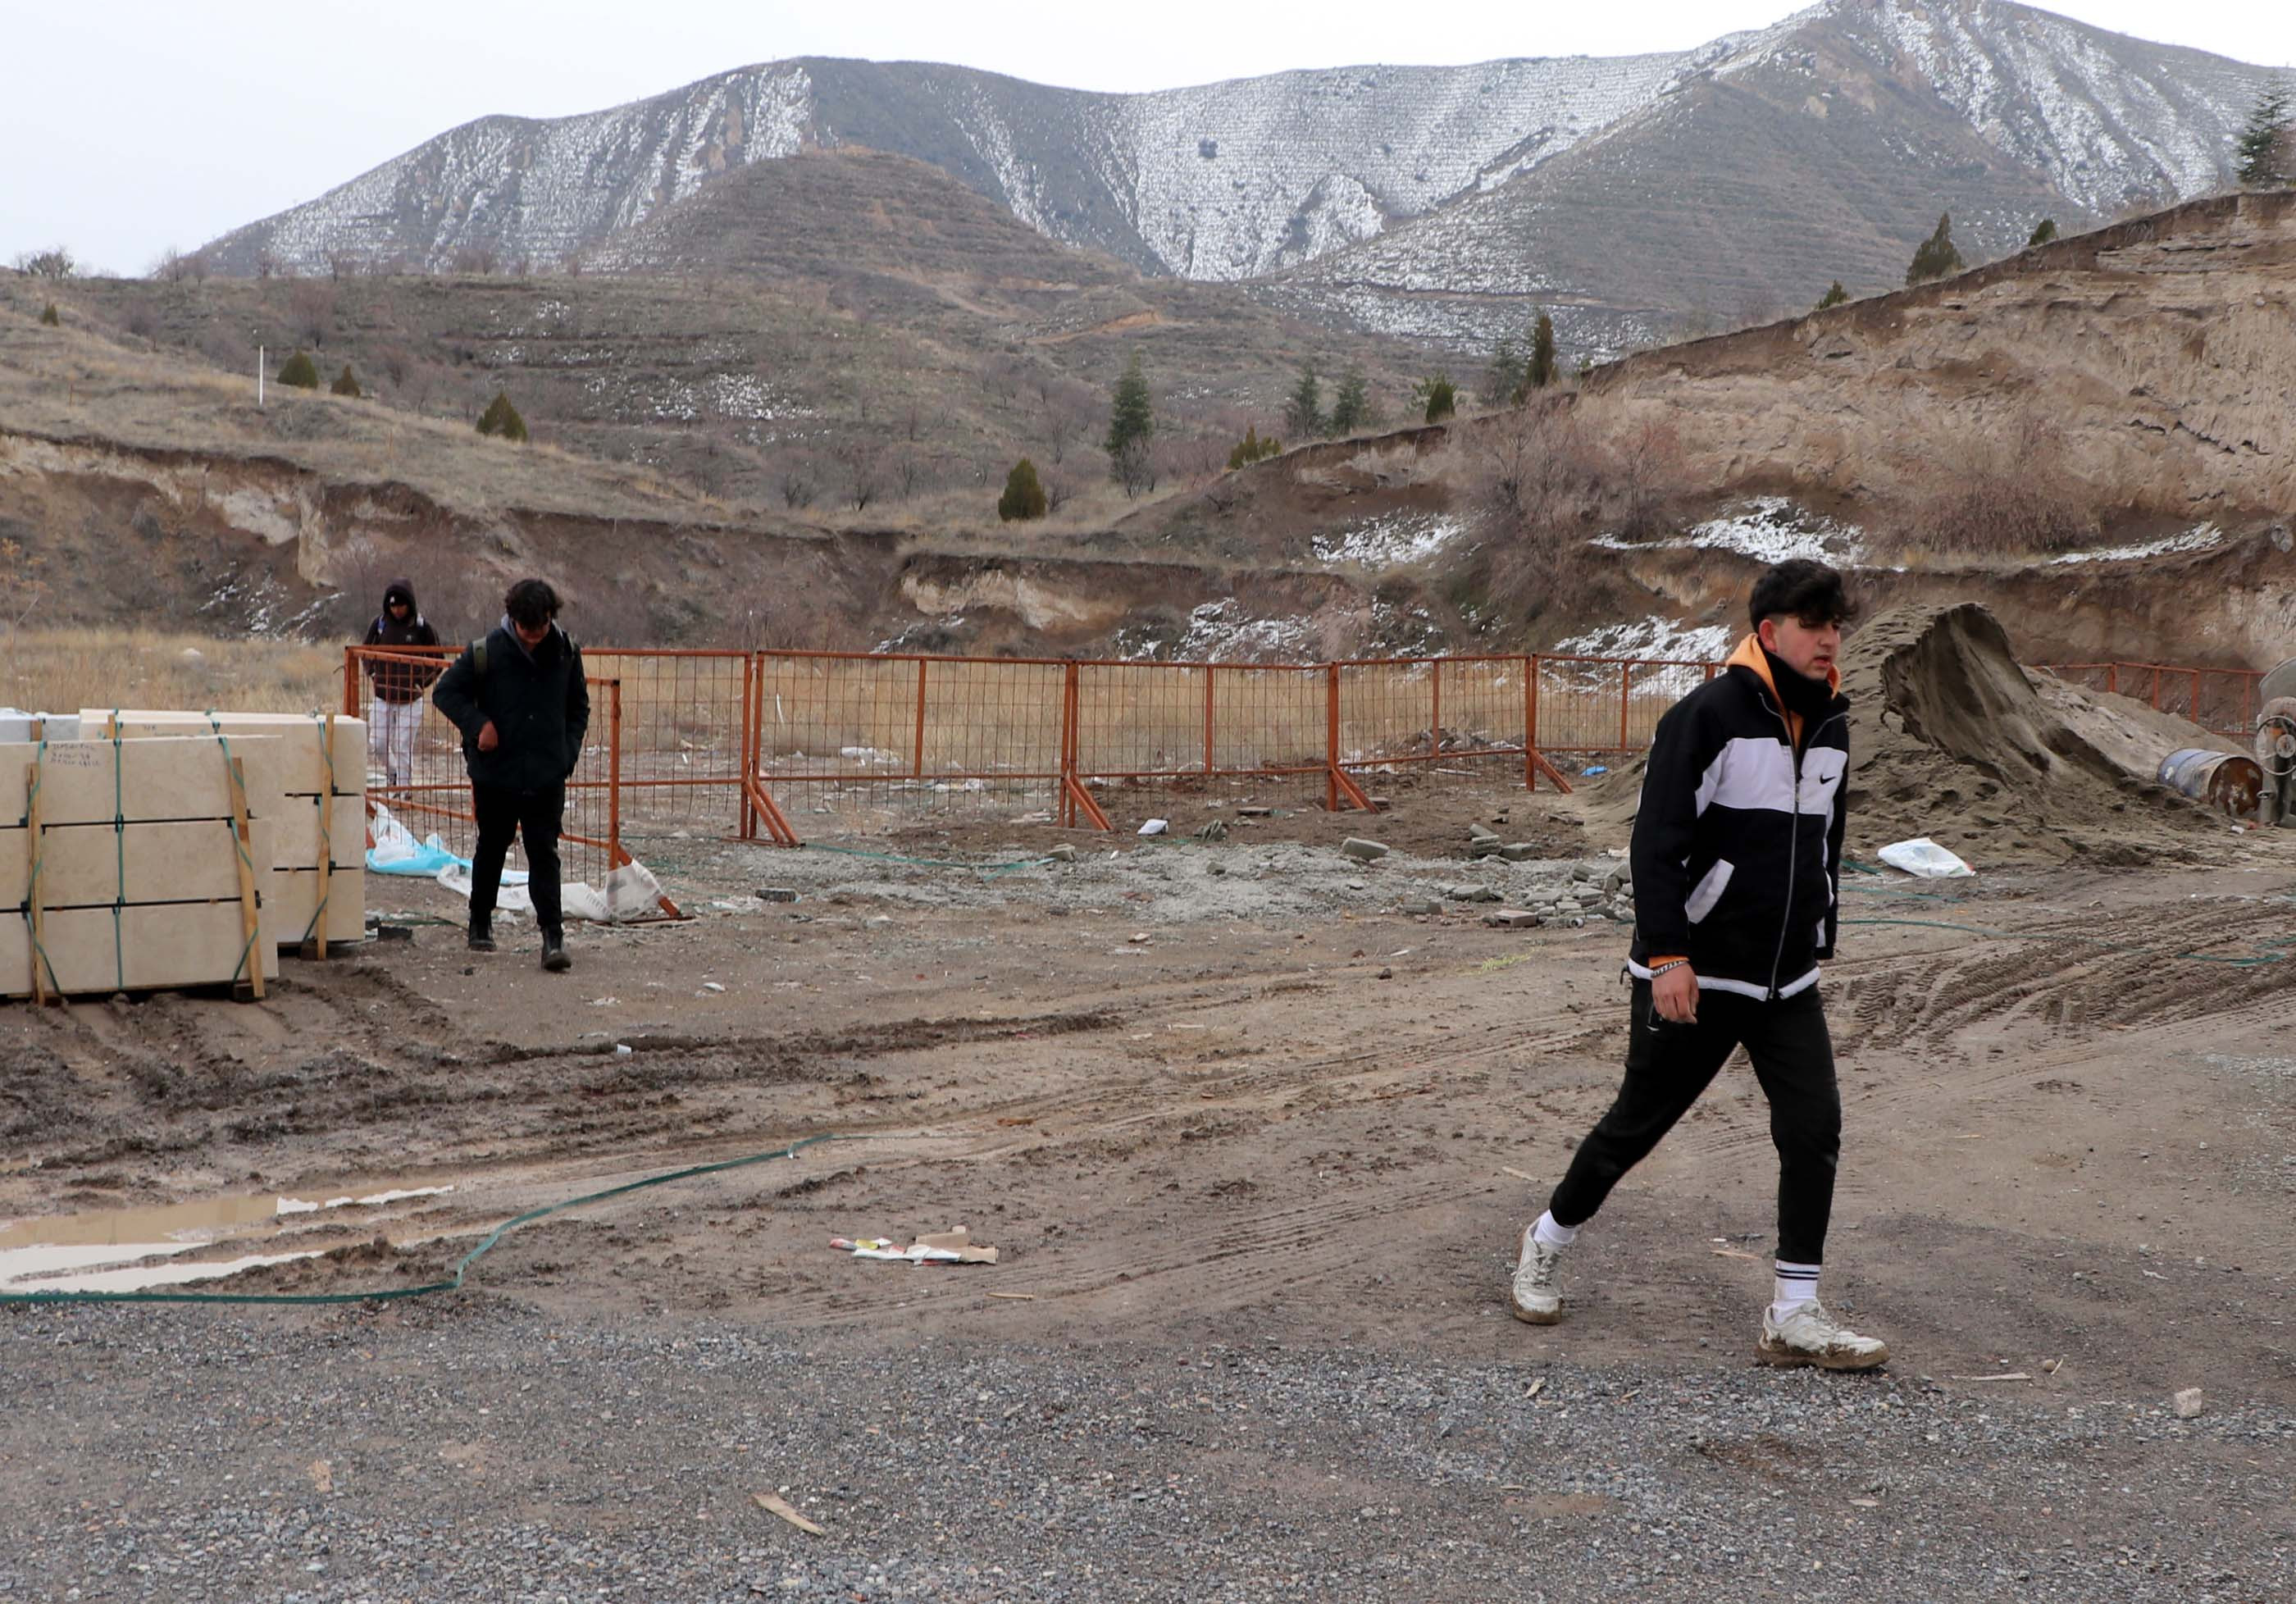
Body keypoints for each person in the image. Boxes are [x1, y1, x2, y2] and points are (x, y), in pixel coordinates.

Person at [1510, 558, 1890, 1371]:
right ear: (1768, 633)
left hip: (1785, 978)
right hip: (1699, 973)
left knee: (1812, 1130)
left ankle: (1793, 1312)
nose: (1829, 640)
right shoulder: (1707, 716)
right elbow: (1657, 845)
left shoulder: (1831, 723)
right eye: (1812, 625)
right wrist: (1667, 956)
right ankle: (1546, 1239)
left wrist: (1818, 934)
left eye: (1835, 626)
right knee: (1633, 1128)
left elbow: (1827, 842)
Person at [431, 578, 589, 972]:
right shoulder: (486, 652)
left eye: (541, 629)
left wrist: (565, 755)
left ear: (551, 617)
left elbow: (578, 708)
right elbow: (446, 692)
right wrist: (478, 723)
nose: (534, 638)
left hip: (545, 775)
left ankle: (553, 937)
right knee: (492, 847)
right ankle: (479, 922)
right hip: (496, 774)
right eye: (526, 630)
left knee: (544, 854)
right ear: (513, 619)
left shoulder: (567, 651)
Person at [359, 580, 441, 790]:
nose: (397, 610)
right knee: (377, 743)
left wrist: (421, 683)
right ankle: (392, 771)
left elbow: (438, 659)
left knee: (403, 745)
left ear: (410, 604)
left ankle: (404, 791)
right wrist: (373, 672)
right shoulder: (379, 624)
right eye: (393, 605)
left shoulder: (422, 627)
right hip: (382, 695)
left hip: (410, 699)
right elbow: (365, 651)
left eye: (401, 606)